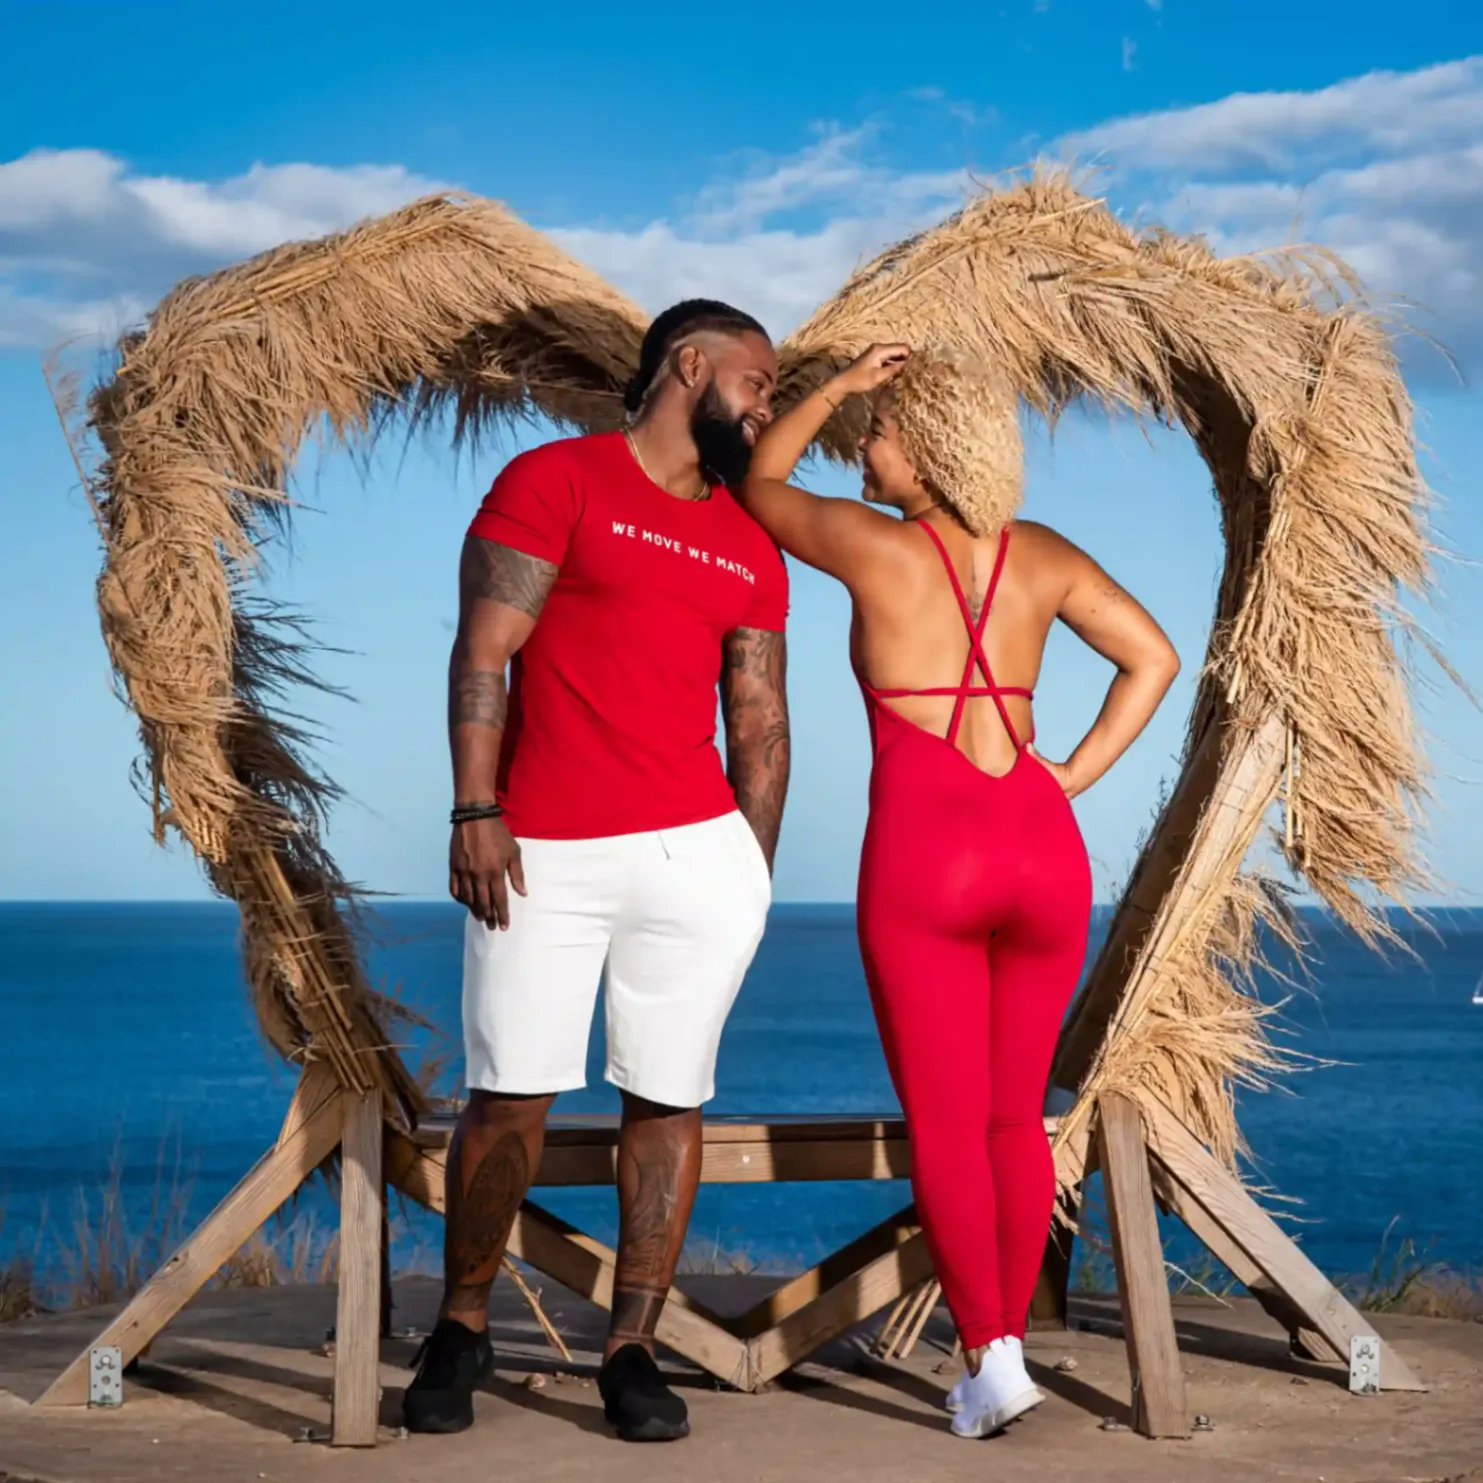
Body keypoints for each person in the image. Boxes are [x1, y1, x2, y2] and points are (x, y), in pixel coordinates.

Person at [736, 343, 1180, 1440]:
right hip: (1040, 848)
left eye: (878, 429)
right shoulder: (1041, 555)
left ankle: (986, 1359)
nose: (862, 447)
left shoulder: (871, 548)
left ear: (927, 449)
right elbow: (1154, 658)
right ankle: (1011, 1345)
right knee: (1014, 1119)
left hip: (927, 854)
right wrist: (1071, 772)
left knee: (943, 1119)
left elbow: (758, 487)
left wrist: (828, 385)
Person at [403, 300, 791, 1443]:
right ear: (690, 365)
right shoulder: (555, 479)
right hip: (544, 850)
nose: (766, 405)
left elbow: (758, 713)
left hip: (696, 855)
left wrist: (748, 872)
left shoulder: (748, 539)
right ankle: (462, 1326)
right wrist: (477, 805)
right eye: (758, 381)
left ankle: (631, 1347)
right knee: (510, 1093)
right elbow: (483, 648)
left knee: (670, 1103)